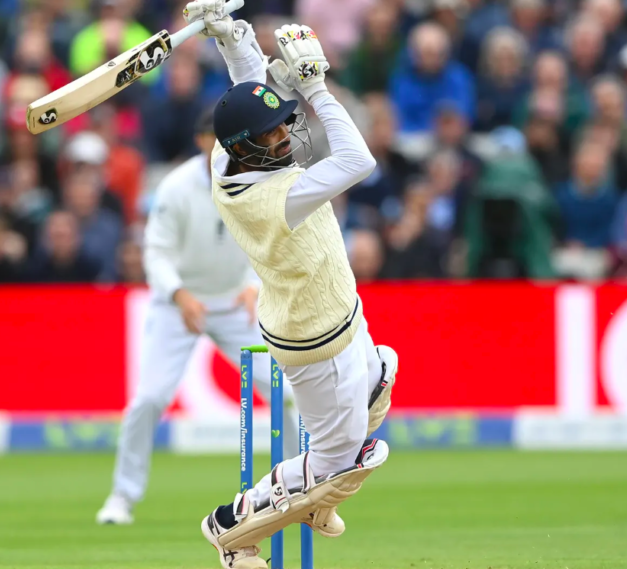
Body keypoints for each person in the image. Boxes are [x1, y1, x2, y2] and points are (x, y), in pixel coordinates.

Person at [181, 5, 398, 568]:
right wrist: (318, 90)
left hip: (341, 311)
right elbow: (358, 157)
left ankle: (318, 495)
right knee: (344, 462)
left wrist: (231, 36)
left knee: (381, 376)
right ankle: (230, 532)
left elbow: (248, 87)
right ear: (247, 146)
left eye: (282, 125)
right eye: (271, 133)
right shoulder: (280, 198)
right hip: (315, 339)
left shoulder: (225, 155)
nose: (283, 137)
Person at [95, 111, 298, 526]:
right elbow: (156, 251)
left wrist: (250, 283)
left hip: (234, 305)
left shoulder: (252, 178)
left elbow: (264, 240)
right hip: (178, 308)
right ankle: (122, 497)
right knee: (147, 400)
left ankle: (300, 484)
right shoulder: (175, 187)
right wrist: (179, 295)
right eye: (211, 138)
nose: (218, 146)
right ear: (200, 140)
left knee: (286, 392)